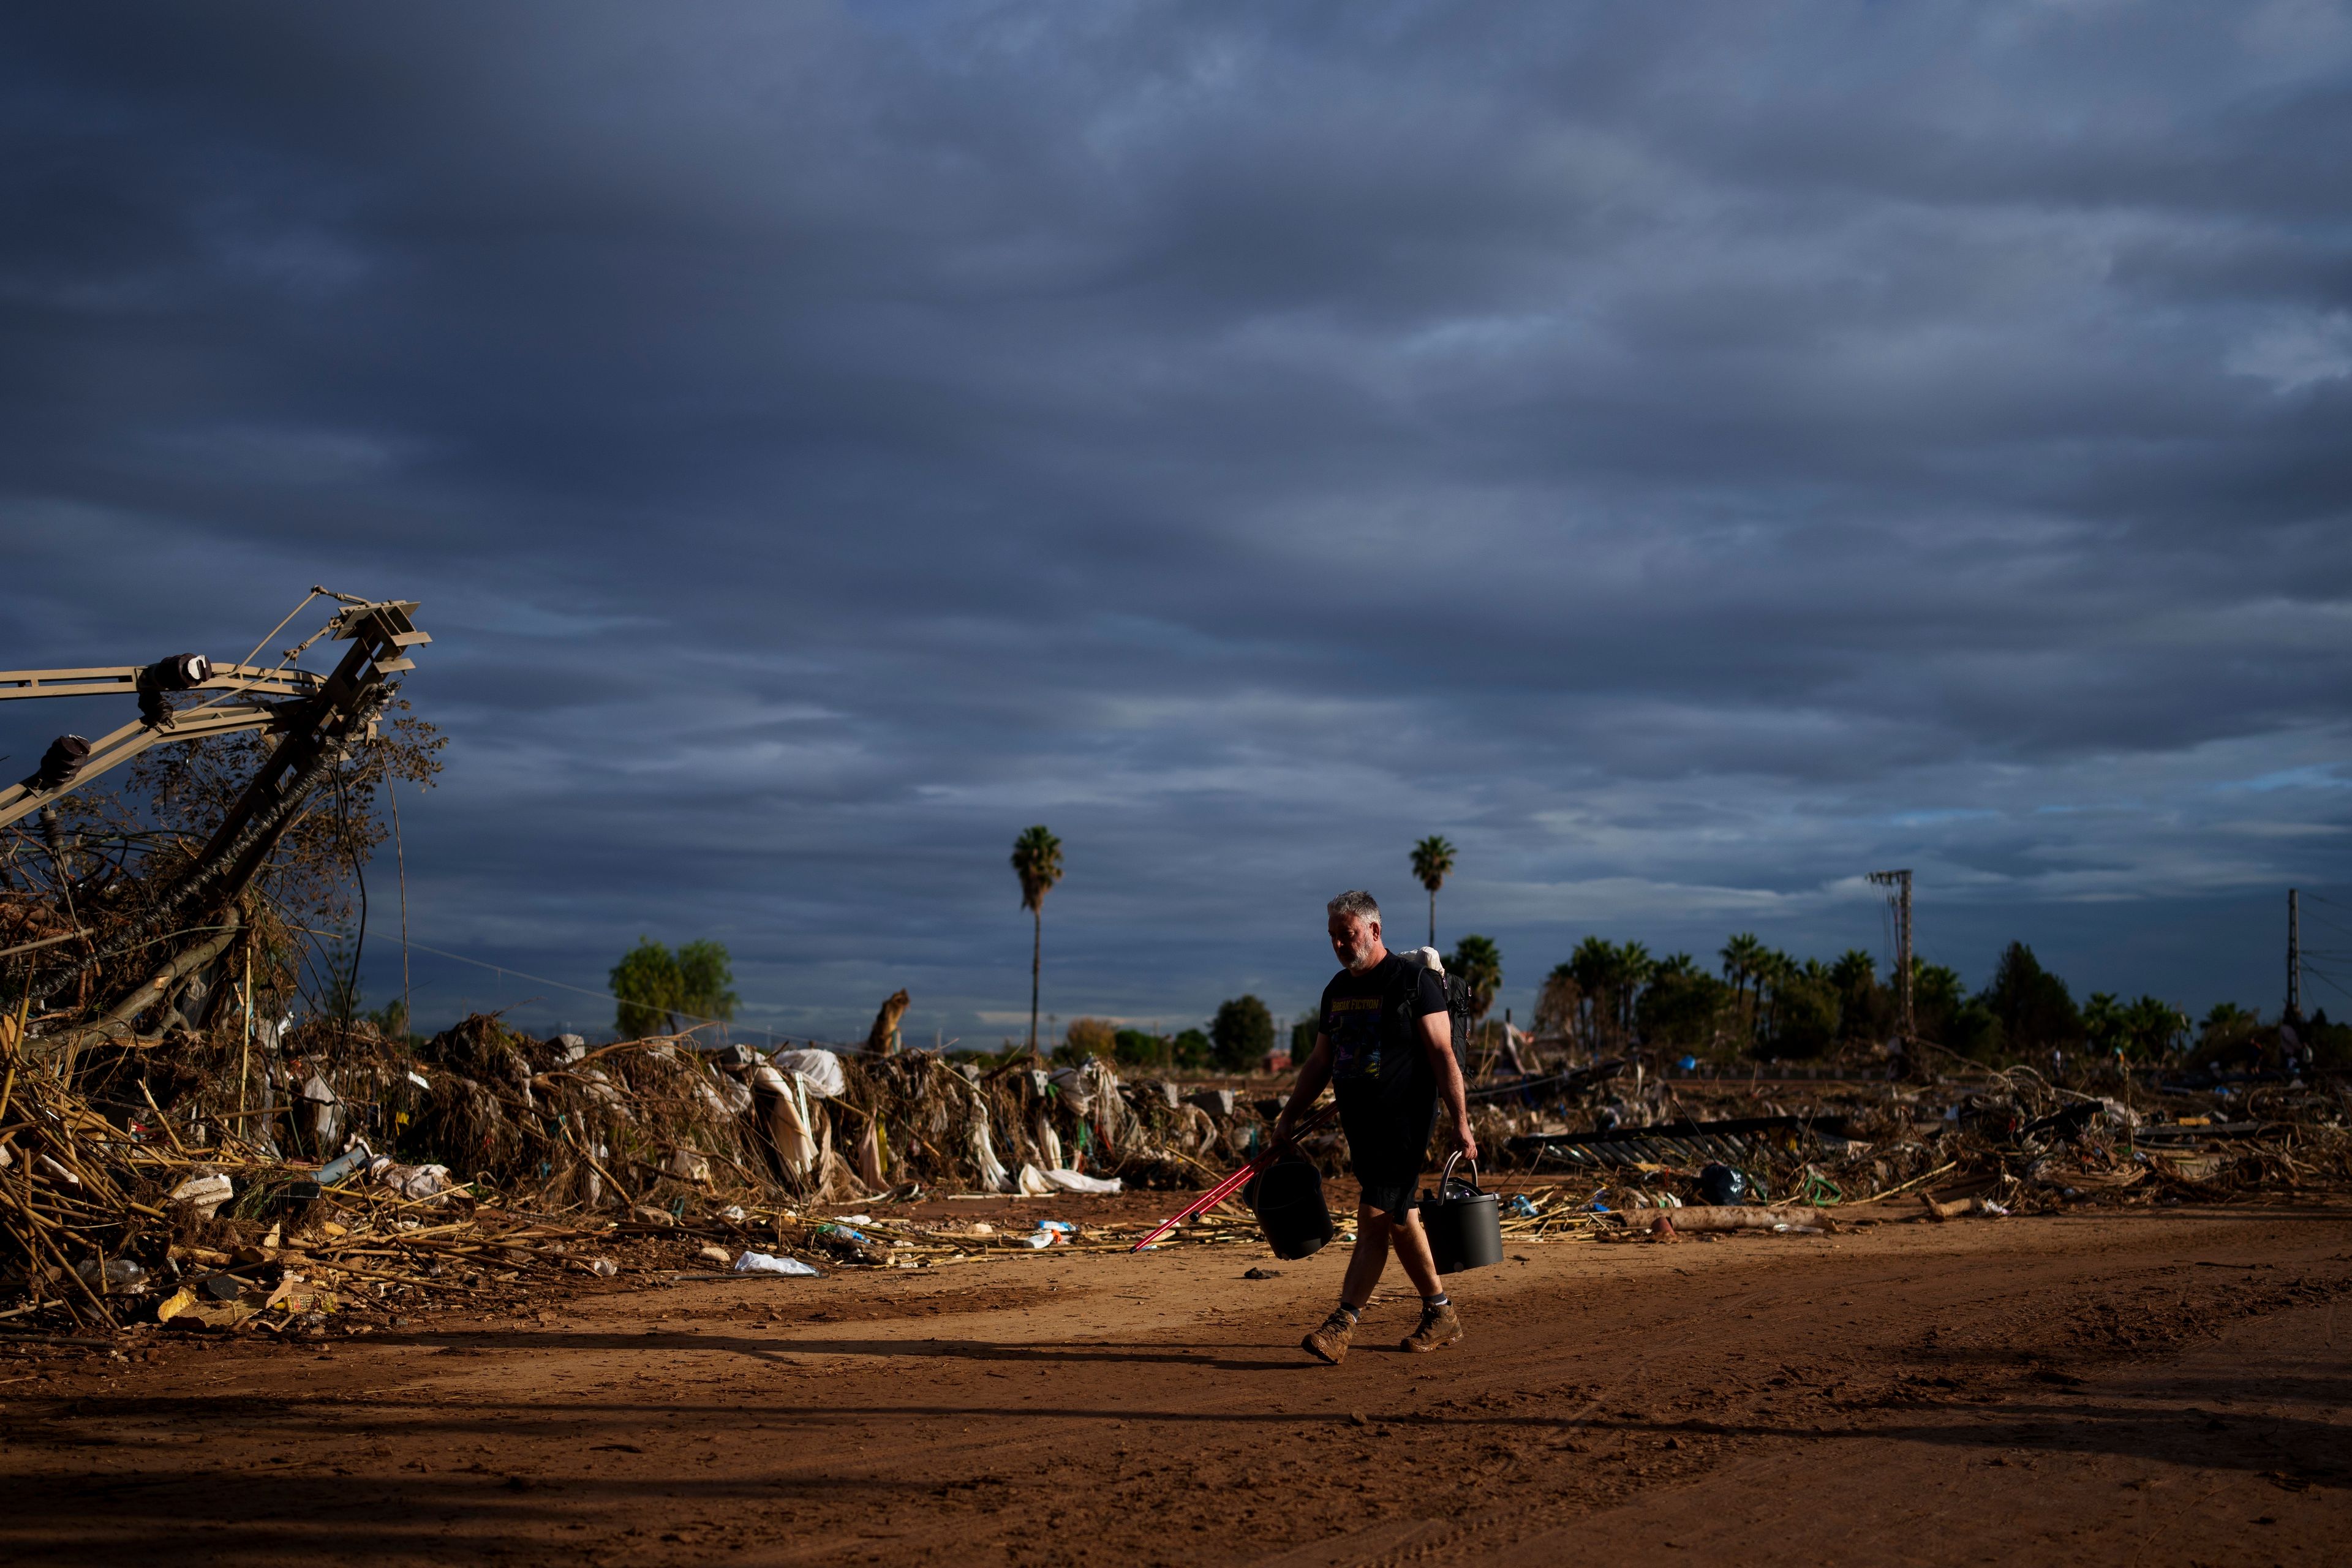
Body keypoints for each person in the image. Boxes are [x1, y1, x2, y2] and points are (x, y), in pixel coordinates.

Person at [1271, 889, 1477, 1363]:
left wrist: (1461, 1124)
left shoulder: (1413, 983)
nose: (1340, 945)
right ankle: (1441, 1312)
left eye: (1347, 935)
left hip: (1405, 1122)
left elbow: (1444, 1056)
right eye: (1333, 938)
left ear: (1374, 930)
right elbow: (1320, 1062)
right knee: (1400, 1219)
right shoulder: (1336, 991)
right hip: (1359, 1126)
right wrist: (1288, 1117)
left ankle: (1342, 1323)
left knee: (1373, 1217)